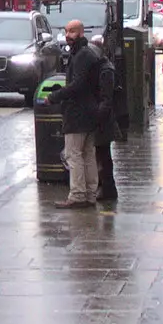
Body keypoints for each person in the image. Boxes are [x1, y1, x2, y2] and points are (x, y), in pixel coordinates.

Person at [46, 20, 113, 210]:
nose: (68, 35)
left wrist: (55, 96)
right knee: (87, 154)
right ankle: (90, 194)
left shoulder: (82, 55)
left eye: (73, 31)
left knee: (73, 154)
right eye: (66, 31)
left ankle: (77, 195)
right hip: (90, 111)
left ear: (81, 33)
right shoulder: (87, 52)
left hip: (78, 113)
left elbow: (78, 85)